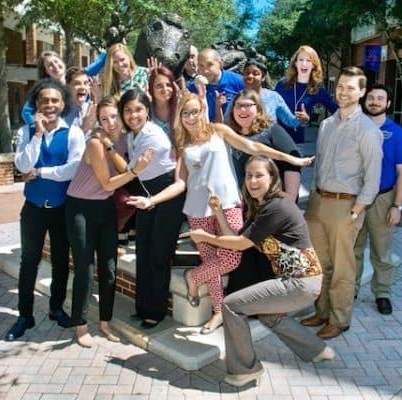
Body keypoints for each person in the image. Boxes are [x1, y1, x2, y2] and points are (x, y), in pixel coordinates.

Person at [128, 93, 313, 334]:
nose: (191, 117)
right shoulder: (183, 144)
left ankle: (193, 278)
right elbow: (180, 184)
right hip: (197, 209)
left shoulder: (219, 131)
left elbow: (253, 146)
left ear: (203, 110)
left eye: (195, 111)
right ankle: (217, 312)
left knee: (231, 256)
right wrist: (151, 200)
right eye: (186, 113)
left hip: (227, 204)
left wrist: (290, 158)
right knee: (211, 262)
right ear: (180, 117)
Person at [189, 155, 335, 387]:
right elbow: (235, 238)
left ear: (273, 178)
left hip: (300, 282)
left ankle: (245, 369)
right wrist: (218, 212)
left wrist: (206, 237)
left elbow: (240, 245)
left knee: (230, 305)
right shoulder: (262, 206)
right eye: (248, 175)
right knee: (269, 315)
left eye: (259, 175)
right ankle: (318, 350)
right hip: (298, 281)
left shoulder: (277, 206)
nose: (253, 181)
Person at [301, 67, 383, 340]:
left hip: (346, 207)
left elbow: (372, 178)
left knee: (343, 267)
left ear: (361, 92)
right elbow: (320, 163)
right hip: (318, 203)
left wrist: (357, 211)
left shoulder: (368, 131)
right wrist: (312, 196)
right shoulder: (326, 125)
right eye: (340, 87)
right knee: (320, 264)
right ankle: (321, 311)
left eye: (351, 88)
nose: (344, 92)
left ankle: (339, 319)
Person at [66, 96, 154, 347]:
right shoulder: (95, 142)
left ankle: (105, 322)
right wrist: (136, 171)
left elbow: (123, 165)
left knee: (109, 268)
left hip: (104, 206)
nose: (110, 122)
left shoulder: (124, 140)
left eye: (114, 116)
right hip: (80, 207)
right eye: (104, 118)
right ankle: (80, 325)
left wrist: (117, 153)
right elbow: (109, 182)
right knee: (85, 266)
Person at [6, 78, 85, 341]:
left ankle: (55, 308)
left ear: (63, 104)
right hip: (34, 209)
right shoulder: (26, 132)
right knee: (29, 261)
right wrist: (38, 134)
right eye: (44, 100)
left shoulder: (73, 132)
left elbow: (72, 170)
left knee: (62, 261)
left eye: (55, 100)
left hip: (62, 210)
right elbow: (22, 164)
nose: (50, 105)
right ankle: (25, 316)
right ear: (36, 104)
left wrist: (39, 172)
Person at [118, 88, 186, 329]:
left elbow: (130, 170)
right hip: (146, 192)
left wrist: (106, 148)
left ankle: (155, 312)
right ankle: (142, 306)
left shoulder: (152, 134)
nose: (133, 115)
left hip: (166, 192)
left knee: (159, 253)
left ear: (147, 110)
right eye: (127, 110)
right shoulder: (131, 135)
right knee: (143, 250)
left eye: (138, 109)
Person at [354, 83, 402, 315]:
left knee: (381, 251)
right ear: (364, 101)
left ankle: (383, 293)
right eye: (371, 97)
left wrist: (397, 206)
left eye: (380, 98)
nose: (375, 101)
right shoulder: (354, 128)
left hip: (382, 198)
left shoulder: (398, 133)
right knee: (352, 249)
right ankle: (351, 290)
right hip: (355, 199)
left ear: (388, 104)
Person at [226, 89, 302, 201]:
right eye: (238, 105)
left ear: (258, 109)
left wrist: (290, 200)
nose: (242, 109)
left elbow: (293, 160)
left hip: (270, 203)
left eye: (248, 105)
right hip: (240, 205)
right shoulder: (230, 134)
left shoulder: (271, 130)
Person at [220, 59, 308, 130]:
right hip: (244, 145)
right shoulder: (237, 98)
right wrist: (218, 107)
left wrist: (302, 119)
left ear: (263, 78)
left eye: (255, 73)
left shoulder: (273, 97)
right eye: (246, 73)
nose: (250, 76)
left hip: (268, 145)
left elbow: (290, 122)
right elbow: (227, 125)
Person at [274, 46, 338, 143]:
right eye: (301, 60)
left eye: (308, 60)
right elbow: (271, 108)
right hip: (277, 138)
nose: (304, 64)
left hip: (297, 141)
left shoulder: (317, 89)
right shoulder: (282, 84)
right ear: (295, 63)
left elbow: (335, 109)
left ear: (313, 65)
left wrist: (307, 119)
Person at [21, 51, 103, 125]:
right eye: (50, 65)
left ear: (63, 62)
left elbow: (100, 62)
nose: (55, 66)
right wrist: (40, 129)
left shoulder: (78, 76)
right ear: (46, 71)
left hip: (87, 123)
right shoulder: (46, 90)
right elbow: (26, 112)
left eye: (56, 61)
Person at [188, 48, 244, 122]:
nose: (205, 71)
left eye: (210, 65)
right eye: (201, 66)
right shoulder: (193, 87)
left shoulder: (238, 82)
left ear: (220, 64)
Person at [62, 67, 96, 133]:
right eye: (77, 83)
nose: (83, 87)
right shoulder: (59, 114)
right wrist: (84, 128)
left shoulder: (93, 110)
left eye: (86, 83)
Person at [148, 66, 179, 137]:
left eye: (168, 85)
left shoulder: (179, 106)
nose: (165, 89)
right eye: (159, 86)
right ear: (151, 89)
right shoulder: (147, 109)